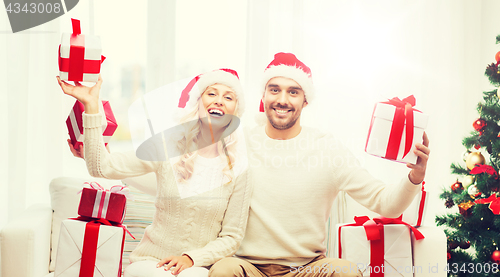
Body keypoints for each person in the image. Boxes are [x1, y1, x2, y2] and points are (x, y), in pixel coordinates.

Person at [209, 53, 430, 277]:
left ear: (305, 100)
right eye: (274, 90)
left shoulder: (327, 149)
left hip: (306, 268)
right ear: (264, 95)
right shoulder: (238, 144)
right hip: (247, 267)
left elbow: (386, 203)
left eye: (293, 92)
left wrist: (415, 177)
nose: (282, 100)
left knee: (346, 272)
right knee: (223, 270)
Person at [56, 68, 251, 277]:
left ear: (235, 112)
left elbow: (231, 238)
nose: (219, 101)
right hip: (151, 264)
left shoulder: (238, 169)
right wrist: (91, 105)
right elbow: (102, 167)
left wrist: (190, 258)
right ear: (197, 104)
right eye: (211, 93)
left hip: (198, 268)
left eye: (228, 97)